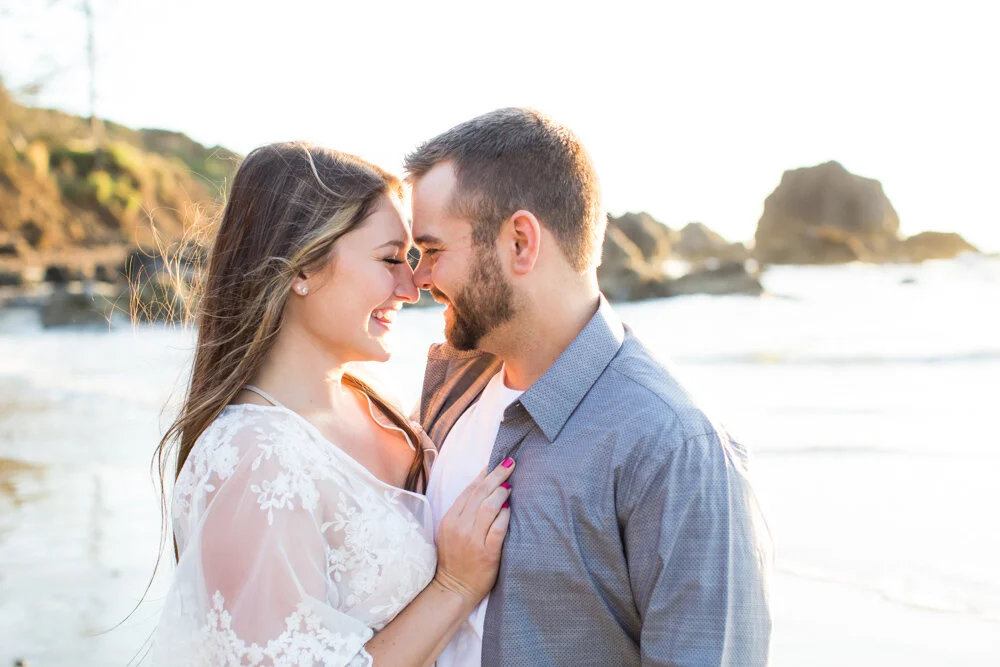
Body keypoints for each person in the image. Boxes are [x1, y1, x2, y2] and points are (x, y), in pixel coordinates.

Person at [406, 108, 773, 667]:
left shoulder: (675, 448)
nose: (419, 279)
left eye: (432, 251)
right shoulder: (450, 389)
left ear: (521, 243)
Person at [151, 142, 514, 666]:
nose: (413, 287)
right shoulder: (256, 460)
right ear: (301, 268)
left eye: (412, 259)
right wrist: (455, 585)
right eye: (391, 259)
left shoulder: (379, 409)